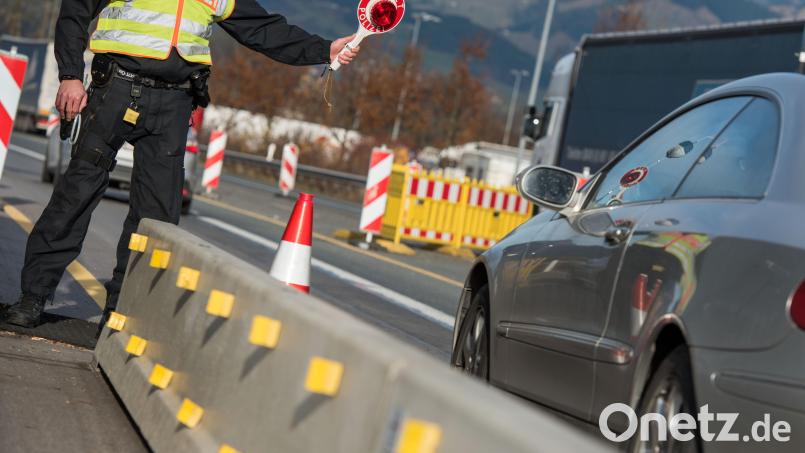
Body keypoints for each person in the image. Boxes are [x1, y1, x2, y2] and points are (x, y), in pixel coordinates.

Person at [1, 0, 359, 329]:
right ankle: (33, 296)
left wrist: (324, 49)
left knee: (156, 218)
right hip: (116, 88)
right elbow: (76, 11)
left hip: (175, 102)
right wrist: (70, 75)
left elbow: (263, 29)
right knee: (76, 195)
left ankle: (122, 310)